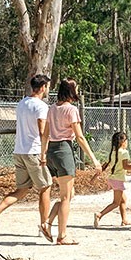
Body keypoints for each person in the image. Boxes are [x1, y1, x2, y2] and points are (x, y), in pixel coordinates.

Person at [0, 74, 52, 239]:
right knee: (45, 187)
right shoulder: (41, 106)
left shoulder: (21, 103)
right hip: (34, 151)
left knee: (22, 190)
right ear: (43, 87)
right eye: (47, 86)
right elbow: (42, 131)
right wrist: (44, 152)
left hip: (19, 151)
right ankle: (45, 225)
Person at [43, 78, 102, 245]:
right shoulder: (71, 109)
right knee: (66, 197)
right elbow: (80, 137)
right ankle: (62, 236)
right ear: (71, 90)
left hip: (51, 152)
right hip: (64, 150)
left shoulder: (52, 108)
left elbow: (45, 134)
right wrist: (94, 160)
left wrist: (43, 155)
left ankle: (47, 223)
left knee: (68, 194)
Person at [94, 131, 131, 227]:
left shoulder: (112, 153)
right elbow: (125, 166)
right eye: (126, 140)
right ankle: (99, 215)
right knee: (116, 203)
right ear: (123, 142)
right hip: (118, 180)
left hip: (112, 179)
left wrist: (94, 176)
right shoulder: (124, 152)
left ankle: (124, 220)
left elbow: (104, 166)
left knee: (123, 199)